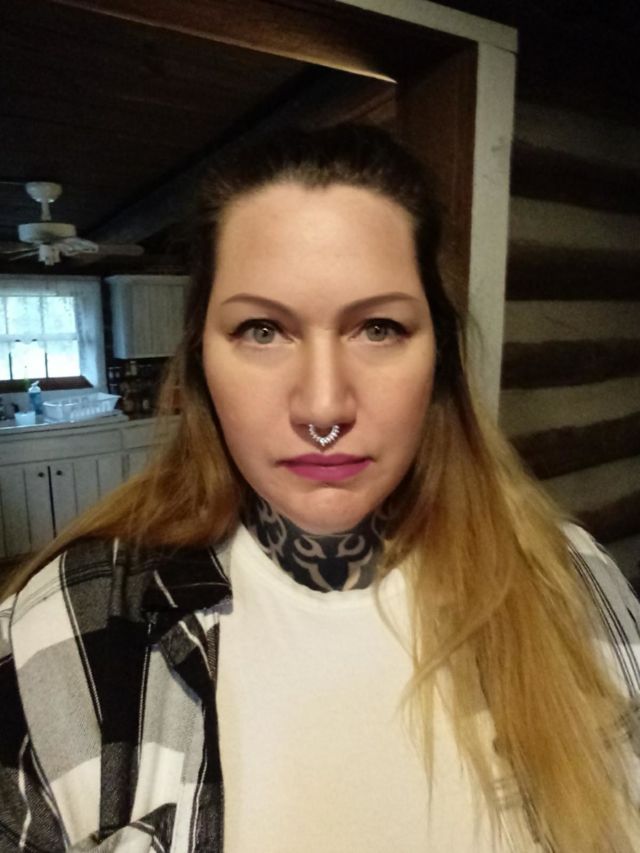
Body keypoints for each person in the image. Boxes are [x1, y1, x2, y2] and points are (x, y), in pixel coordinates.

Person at [0, 124, 639, 853]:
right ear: (202, 362)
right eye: (262, 330)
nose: (325, 409)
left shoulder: (571, 585)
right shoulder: (71, 631)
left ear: (441, 358)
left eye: (379, 327)